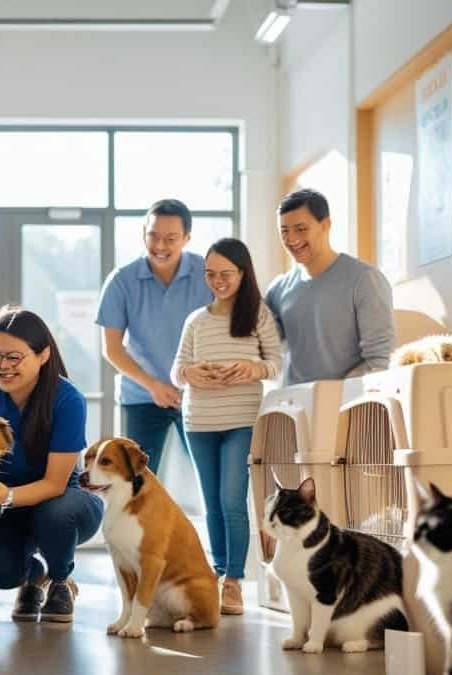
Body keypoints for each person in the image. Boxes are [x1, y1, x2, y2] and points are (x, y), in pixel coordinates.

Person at [0, 307, 103, 624]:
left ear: (43, 355)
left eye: (14, 357)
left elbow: (54, 484)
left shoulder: (67, 400)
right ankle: (32, 578)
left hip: (63, 503)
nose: (3, 366)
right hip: (4, 507)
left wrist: (4, 496)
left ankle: (60, 581)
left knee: (56, 511)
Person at [171, 238, 282, 616]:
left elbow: (276, 364)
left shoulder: (259, 316)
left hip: (241, 419)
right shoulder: (196, 320)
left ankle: (234, 580)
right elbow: (176, 371)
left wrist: (253, 369)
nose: (218, 281)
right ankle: (218, 575)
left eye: (226, 274)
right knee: (212, 503)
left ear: (242, 273)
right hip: (199, 420)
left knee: (232, 499)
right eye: (211, 274)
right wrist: (191, 373)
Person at [96, 199, 213, 474]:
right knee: (134, 481)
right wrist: (153, 386)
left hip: (198, 395)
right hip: (141, 396)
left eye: (171, 238)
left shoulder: (207, 274)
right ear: (143, 234)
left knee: (210, 478)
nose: (160, 246)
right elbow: (111, 348)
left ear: (186, 238)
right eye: (154, 236)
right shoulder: (121, 281)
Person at [264, 189, 395, 385]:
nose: (291, 239)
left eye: (301, 229)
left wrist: (331, 396)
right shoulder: (277, 290)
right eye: (284, 231)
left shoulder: (365, 280)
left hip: (345, 406)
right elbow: (262, 346)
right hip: (291, 405)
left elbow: (381, 360)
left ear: (326, 225)